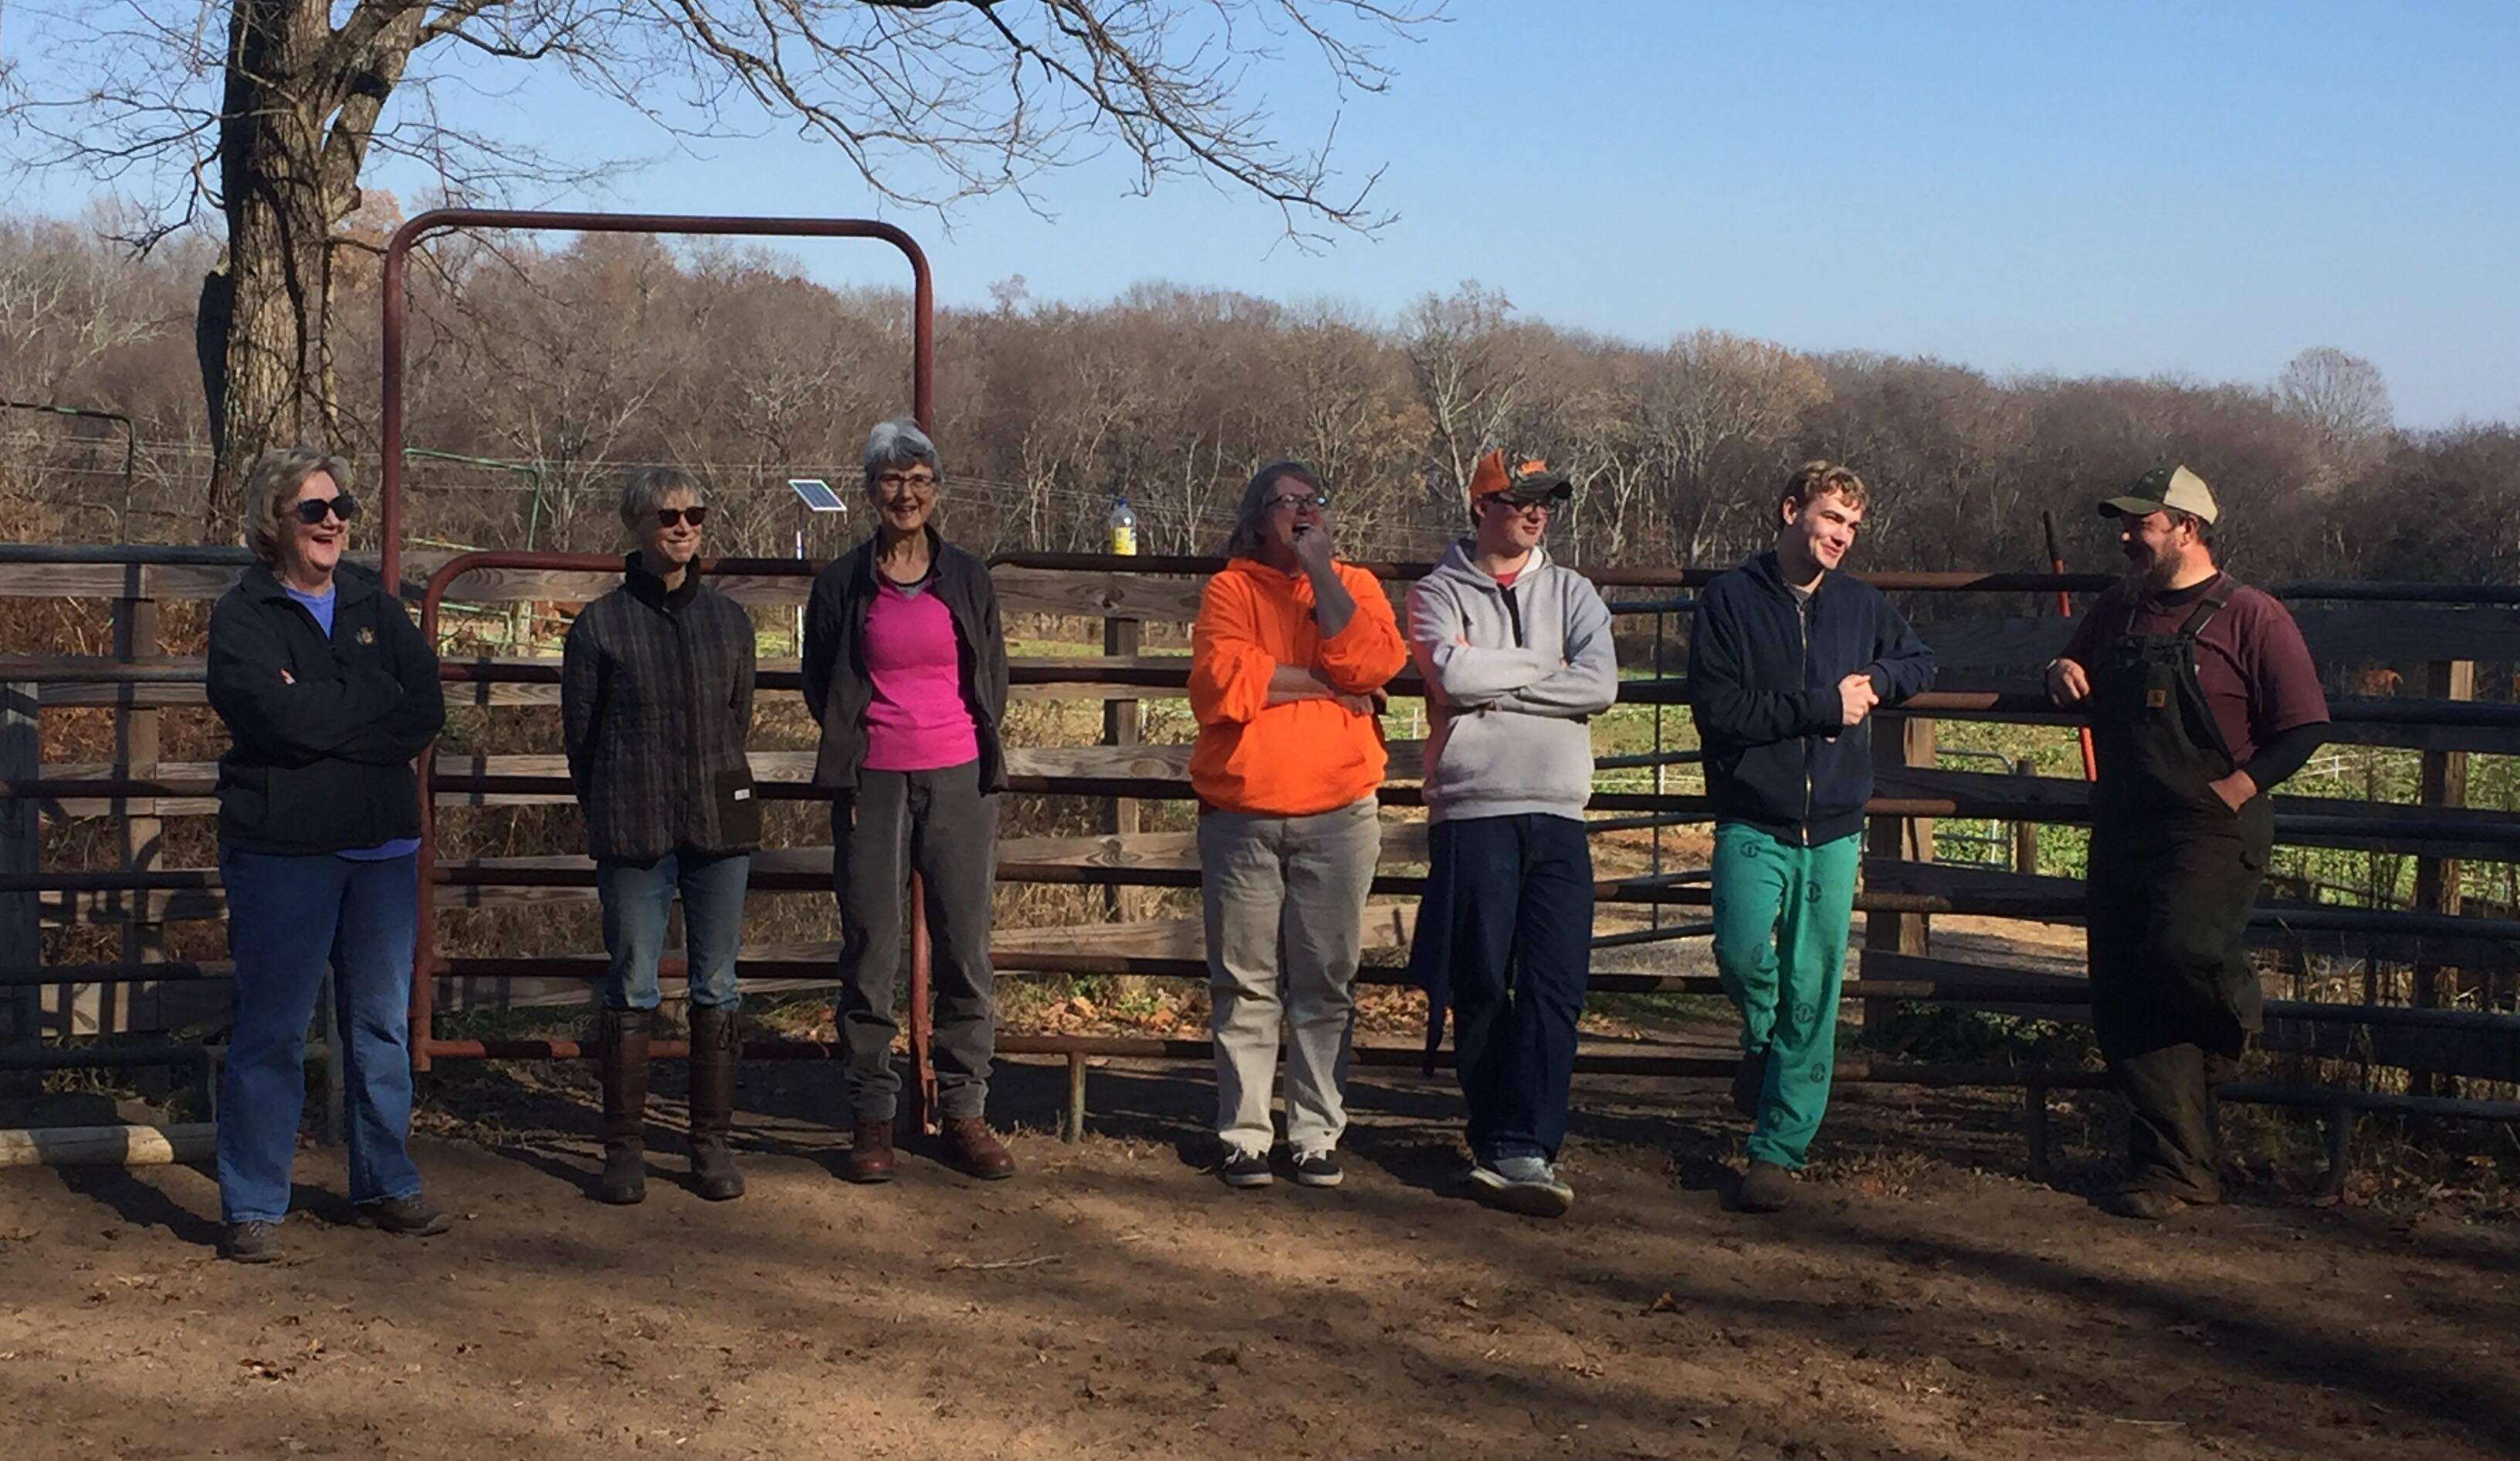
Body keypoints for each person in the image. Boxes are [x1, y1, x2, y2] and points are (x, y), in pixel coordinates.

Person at [2047, 466, 2328, 1219]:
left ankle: (2232, 1025)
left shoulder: (2252, 616)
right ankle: (2173, 1168)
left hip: (2211, 827)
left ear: (2186, 528)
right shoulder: (2116, 609)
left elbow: (2303, 723)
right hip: (2125, 824)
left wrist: (2241, 786)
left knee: (2180, 952)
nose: (2126, 535)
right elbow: (2070, 666)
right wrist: (2063, 669)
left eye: (2141, 523)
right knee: (2126, 991)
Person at [204, 447, 448, 1263]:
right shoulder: (243, 616)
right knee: (272, 1027)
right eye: (314, 508)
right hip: (283, 852)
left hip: (380, 849)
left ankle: (386, 1179)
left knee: (378, 1021)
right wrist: (363, 705)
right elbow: (270, 717)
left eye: (340, 504)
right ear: (276, 520)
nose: (335, 518)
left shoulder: (376, 604)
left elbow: (423, 707)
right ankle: (253, 1201)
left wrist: (322, 709)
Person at [1688, 461, 1935, 1214]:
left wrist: (1881, 682)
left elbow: (1919, 659)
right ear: (1791, 509)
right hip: (1752, 814)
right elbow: (1721, 709)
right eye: (1831, 518)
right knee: (1737, 948)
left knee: (1815, 983)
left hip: (1832, 824)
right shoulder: (1730, 599)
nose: (1841, 536)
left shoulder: (1861, 606)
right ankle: (1760, 1037)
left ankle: (1777, 1150)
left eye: (1852, 526)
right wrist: (1822, 706)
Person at [1404, 449, 1618, 1218]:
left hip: (1559, 812)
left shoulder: (1575, 591)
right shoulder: (1434, 593)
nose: (1535, 513)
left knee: (1555, 984)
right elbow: (1450, 679)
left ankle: (1530, 1143)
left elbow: (1600, 683)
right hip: (1473, 810)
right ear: (1479, 506)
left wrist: (1494, 676)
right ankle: (1499, 1140)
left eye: (1546, 503)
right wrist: (1543, 667)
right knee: (1483, 977)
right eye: (1519, 499)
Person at [802, 419, 1015, 1183]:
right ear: (868, 490)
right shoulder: (840, 584)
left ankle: (964, 1108)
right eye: (892, 479)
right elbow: (818, 678)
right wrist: (859, 747)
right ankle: (871, 1113)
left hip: (957, 773)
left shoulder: (967, 576)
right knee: (871, 947)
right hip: (874, 779)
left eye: (920, 478)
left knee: (964, 947)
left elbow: (990, 668)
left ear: (937, 490)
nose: (906, 492)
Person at [1189, 462, 1408, 1189]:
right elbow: (1221, 683)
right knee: (1245, 982)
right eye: (1286, 502)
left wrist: (1326, 578)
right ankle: (1245, 1134)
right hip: (1242, 815)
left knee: (1326, 979)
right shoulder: (1230, 589)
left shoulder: (1356, 586)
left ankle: (1315, 1132)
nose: (1302, 511)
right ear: (1257, 519)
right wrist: (1328, 684)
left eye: (1313, 500)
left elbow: (1377, 661)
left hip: (1339, 813)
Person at [561, 466, 760, 1205]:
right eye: (668, 516)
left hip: (718, 823)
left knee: (718, 984)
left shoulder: (729, 622)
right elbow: (580, 737)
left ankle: (710, 1144)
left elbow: (735, 718)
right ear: (636, 527)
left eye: (694, 514)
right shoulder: (600, 626)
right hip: (633, 824)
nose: (683, 527)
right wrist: (617, 799)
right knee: (633, 983)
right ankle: (624, 1149)